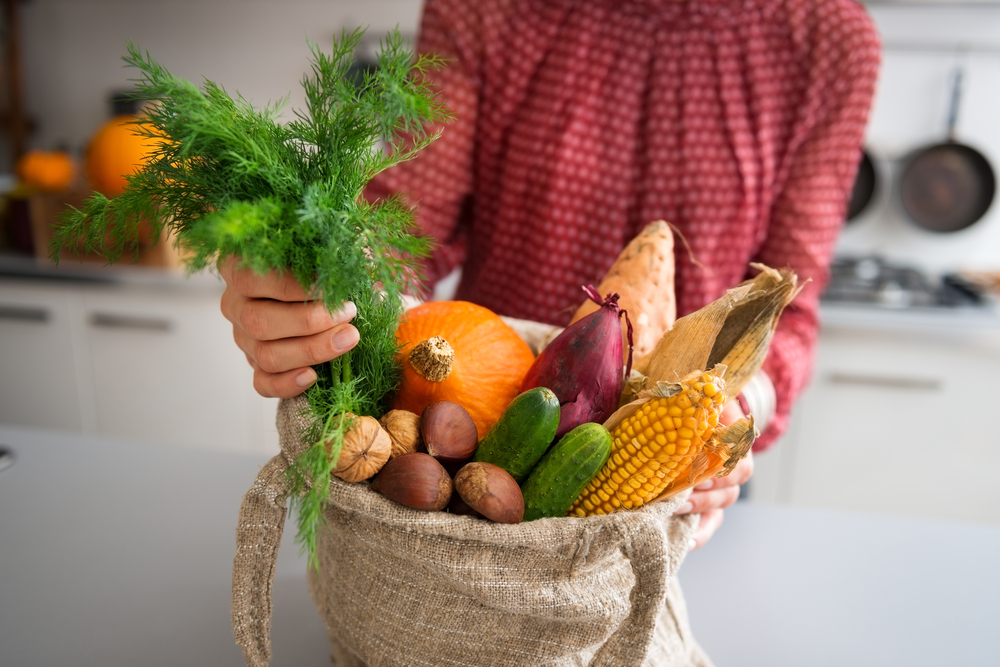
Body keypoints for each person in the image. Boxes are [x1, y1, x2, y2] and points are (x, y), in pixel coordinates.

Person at [219, 0, 881, 548]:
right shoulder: (490, 10)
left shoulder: (827, 38)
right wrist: (322, 285)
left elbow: (789, 308)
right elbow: (399, 226)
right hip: (478, 446)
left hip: (677, 483)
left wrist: (729, 418)